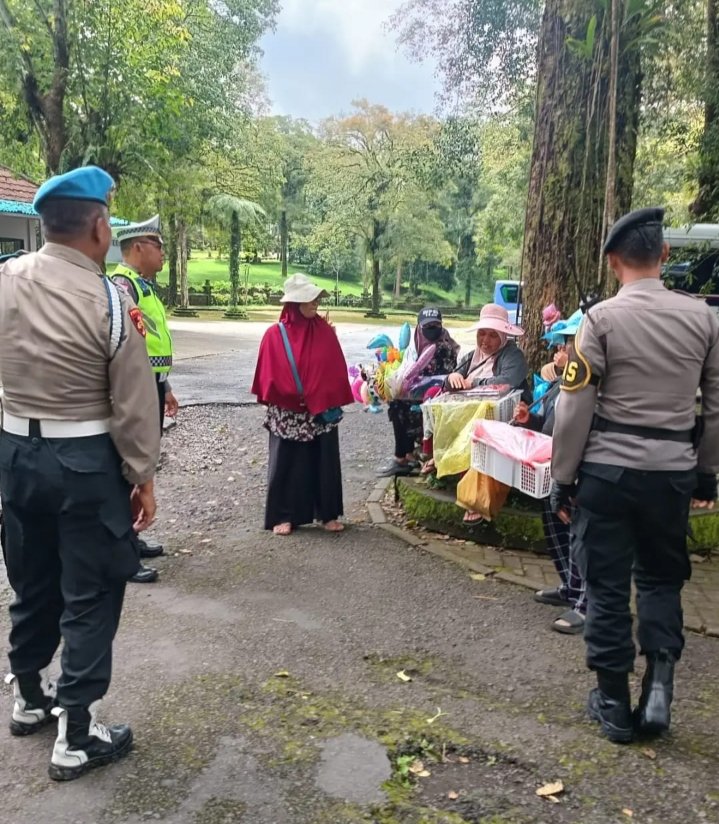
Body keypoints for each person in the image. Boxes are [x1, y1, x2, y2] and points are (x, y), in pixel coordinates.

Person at [0, 166, 161, 779]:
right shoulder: (110, 302)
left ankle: (29, 698)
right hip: (85, 463)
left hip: (16, 454)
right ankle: (75, 734)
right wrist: (142, 476)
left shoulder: (5, 280)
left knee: (33, 579)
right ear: (98, 227)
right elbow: (134, 404)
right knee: (90, 592)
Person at [551, 207, 719, 744]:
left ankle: (615, 705)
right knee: (661, 580)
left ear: (612, 261)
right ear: (664, 255)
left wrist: (562, 477)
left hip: (608, 474)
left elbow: (575, 407)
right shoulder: (705, 319)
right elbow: (715, 406)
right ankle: (659, 690)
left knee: (605, 587)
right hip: (671, 475)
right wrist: (707, 474)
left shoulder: (600, 320)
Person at [252, 274, 354, 535]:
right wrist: (291, 393)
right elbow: (268, 373)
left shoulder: (324, 331)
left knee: (324, 459)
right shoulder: (274, 335)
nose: (315, 303)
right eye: (309, 299)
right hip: (288, 410)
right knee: (286, 462)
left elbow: (334, 368)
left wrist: (322, 393)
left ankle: (327, 513)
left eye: (316, 298)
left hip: (320, 410)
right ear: (294, 303)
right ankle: (283, 516)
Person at [112, 215, 178, 584]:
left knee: (142, 465)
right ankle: (122, 553)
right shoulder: (124, 285)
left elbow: (152, 344)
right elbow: (127, 346)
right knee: (130, 466)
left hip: (150, 385)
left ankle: (132, 539)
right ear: (138, 247)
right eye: (158, 246)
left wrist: (164, 387)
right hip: (134, 388)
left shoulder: (143, 285)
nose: (163, 253)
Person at [513, 311, 587, 634]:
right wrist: (528, 420)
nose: (561, 350)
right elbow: (551, 422)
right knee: (553, 518)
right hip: (556, 463)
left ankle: (586, 603)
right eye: (561, 344)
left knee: (581, 531)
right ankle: (570, 586)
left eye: (567, 343)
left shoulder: (593, 377)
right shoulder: (562, 381)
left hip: (584, 466)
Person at [377, 308, 459, 477]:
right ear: (419, 327)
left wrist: (403, 387)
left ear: (441, 325)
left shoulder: (443, 348)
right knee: (396, 401)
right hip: (422, 394)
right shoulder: (417, 347)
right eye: (427, 326)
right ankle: (407, 455)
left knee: (398, 405)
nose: (432, 330)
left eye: (436, 325)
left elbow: (435, 380)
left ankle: (401, 458)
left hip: (436, 397)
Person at [445, 303, 530, 401]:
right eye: (482, 333)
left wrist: (473, 383)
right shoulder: (470, 357)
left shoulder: (513, 356)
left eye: (493, 335)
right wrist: (452, 378)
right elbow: (455, 378)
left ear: (502, 336)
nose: (485, 340)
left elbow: (508, 381)